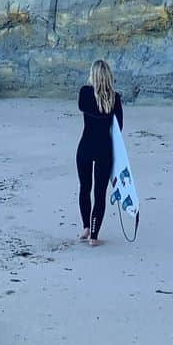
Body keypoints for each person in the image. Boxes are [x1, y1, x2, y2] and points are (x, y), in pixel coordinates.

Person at [76, 58, 123, 246]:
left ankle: (86, 227)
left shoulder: (85, 93)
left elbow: (82, 107)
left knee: (84, 188)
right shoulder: (115, 98)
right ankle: (94, 236)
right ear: (109, 76)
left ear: (93, 75)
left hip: (85, 147)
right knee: (100, 193)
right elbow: (119, 127)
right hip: (104, 149)